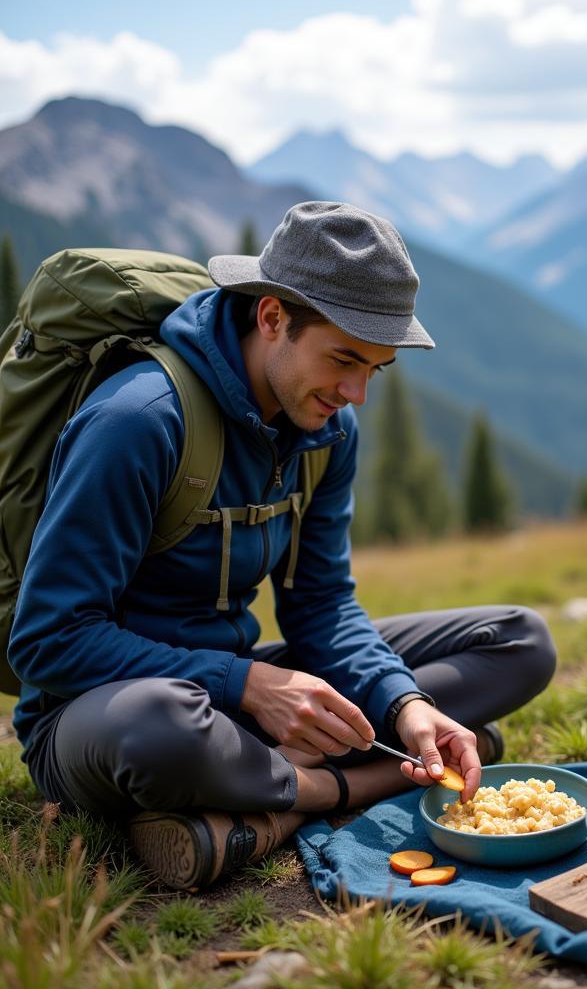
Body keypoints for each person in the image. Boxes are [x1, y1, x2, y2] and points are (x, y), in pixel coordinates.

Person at [7, 202, 557, 890]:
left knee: (518, 640)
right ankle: (335, 791)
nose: (354, 393)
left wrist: (402, 704)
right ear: (272, 318)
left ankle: (262, 801)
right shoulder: (138, 422)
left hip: (244, 700)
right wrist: (248, 684)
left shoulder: (328, 431)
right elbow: (47, 641)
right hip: (99, 716)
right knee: (160, 725)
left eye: (376, 370)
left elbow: (321, 606)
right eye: (344, 359)